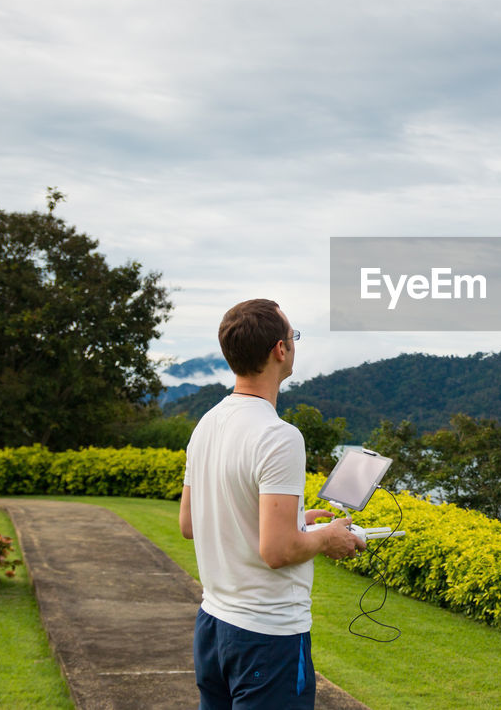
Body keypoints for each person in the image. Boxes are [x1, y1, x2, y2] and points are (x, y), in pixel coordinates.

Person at [180, 298, 364, 709]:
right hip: (267, 636)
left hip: (213, 626)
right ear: (280, 350)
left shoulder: (207, 423)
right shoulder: (279, 436)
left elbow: (191, 523)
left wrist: (297, 520)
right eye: (292, 336)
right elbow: (277, 551)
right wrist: (328, 537)